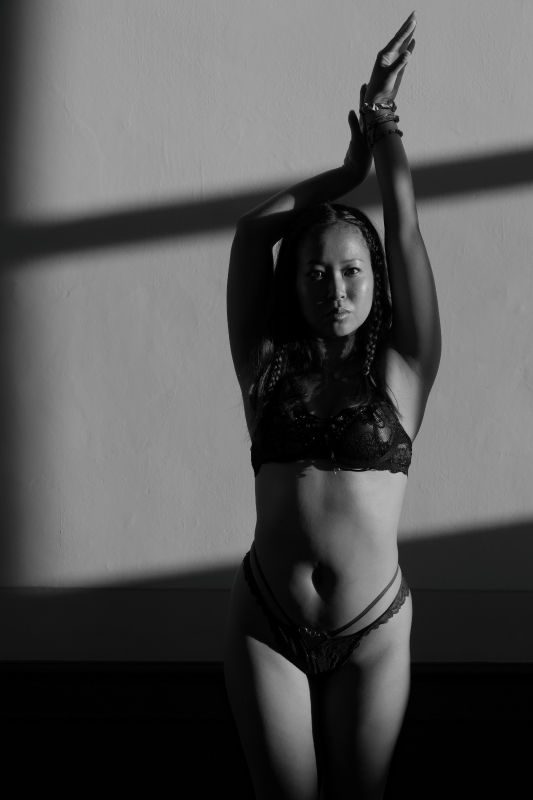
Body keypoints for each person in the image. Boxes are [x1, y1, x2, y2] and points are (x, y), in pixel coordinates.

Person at [224, 12, 440, 800]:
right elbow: (254, 234)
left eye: (352, 271)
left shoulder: (405, 368)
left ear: (376, 280)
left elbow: (404, 229)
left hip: (371, 630)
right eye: (315, 273)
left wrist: (382, 124)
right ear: (294, 286)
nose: (336, 288)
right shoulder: (264, 366)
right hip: (266, 622)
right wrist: (344, 176)